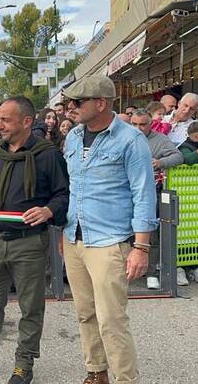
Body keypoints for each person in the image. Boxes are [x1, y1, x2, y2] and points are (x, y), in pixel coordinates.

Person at [0, 97, 69, 384]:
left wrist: (47, 210)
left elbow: (64, 195)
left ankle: (24, 364)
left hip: (30, 243)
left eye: (6, 119)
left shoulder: (48, 155)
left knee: (31, 307)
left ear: (27, 121)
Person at [62, 75, 157, 384]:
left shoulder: (130, 139)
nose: (70, 108)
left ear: (100, 103)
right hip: (74, 237)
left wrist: (140, 248)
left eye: (77, 102)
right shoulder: (73, 137)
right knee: (85, 314)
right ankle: (96, 373)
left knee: (112, 320)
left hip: (109, 242)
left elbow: (144, 194)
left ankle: (126, 380)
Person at [130, 109, 183, 289]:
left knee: (149, 232)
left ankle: (151, 273)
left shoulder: (160, 139)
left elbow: (178, 156)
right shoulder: (123, 137)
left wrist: (160, 163)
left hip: (150, 192)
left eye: (142, 124)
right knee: (123, 232)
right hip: (124, 192)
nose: (138, 128)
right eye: (134, 124)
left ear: (150, 124)